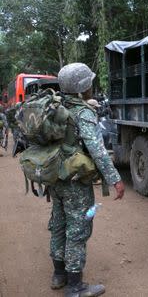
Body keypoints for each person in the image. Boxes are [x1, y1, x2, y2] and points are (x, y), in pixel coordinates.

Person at [51, 63, 125, 297]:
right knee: (78, 229)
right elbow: (97, 150)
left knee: (59, 225)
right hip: (75, 181)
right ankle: (75, 287)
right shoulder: (83, 112)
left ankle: (59, 275)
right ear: (83, 86)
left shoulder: (55, 107)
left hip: (55, 177)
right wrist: (115, 179)